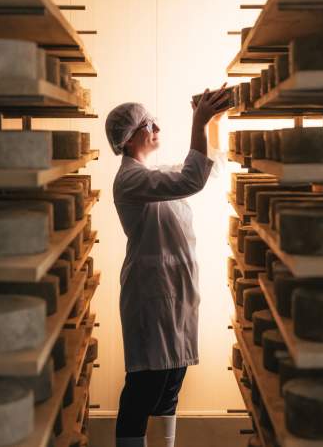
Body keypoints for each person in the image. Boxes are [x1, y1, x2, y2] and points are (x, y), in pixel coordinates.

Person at [105, 85, 230, 447]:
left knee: (172, 381)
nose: (155, 126)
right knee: (144, 388)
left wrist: (215, 121)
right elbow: (191, 178)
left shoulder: (153, 172)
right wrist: (199, 120)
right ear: (129, 139)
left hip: (176, 294)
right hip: (152, 294)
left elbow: (210, 166)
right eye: (147, 123)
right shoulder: (131, 179)